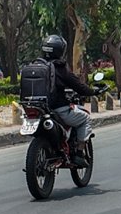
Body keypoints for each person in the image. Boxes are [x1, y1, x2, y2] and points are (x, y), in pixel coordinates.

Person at [40, 34, 100, 167]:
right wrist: (93, 91)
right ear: (61, 51)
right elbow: (78, 86)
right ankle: (79, 153)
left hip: (37, 108)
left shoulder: (37, 66)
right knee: (85, 118)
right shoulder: (60, 68)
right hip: (57, 109)